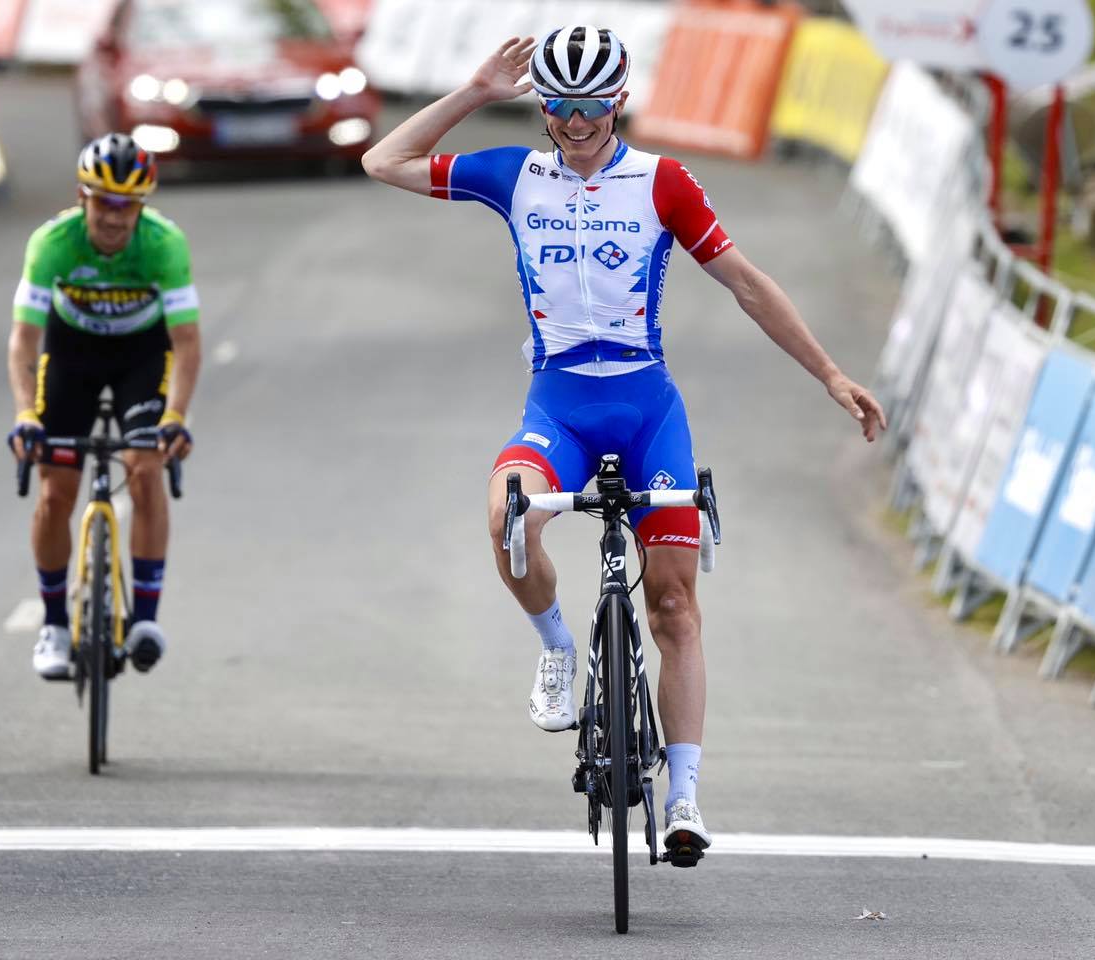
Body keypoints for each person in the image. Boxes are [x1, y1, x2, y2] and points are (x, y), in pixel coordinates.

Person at [362, 27, 885, 861]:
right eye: (558, 106)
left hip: (647, 412)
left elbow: (746, 283)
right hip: (558, 409)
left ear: (619, 98)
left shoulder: (661, 183)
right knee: (507, 513)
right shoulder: (513, 174)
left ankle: (684, 797)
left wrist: (827, 373)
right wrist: (473, 93)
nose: (573, 123)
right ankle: (560, 654)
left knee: (673, 606)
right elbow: (382, 161)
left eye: (590, 106)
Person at [7, 133, 201, 680]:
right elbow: (25, 339)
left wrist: (176, 418)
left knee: (144, 470)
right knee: (54, 491)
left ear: (142, 205)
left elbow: (186, 343)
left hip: (142, 355)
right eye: (105, 203)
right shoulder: (53, 243)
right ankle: (54, 625)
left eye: (129, 205)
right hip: (73, 357)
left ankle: (144, 619)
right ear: (83, 197)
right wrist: (25, 415)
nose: (117, 218)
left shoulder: (164, 244)